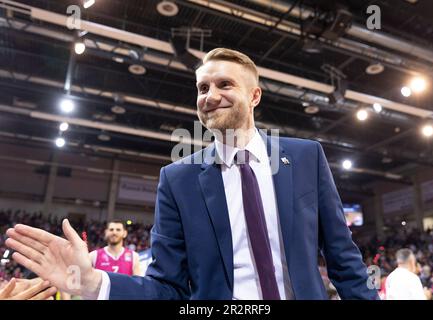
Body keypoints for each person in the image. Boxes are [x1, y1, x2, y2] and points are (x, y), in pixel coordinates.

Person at [5, 48, 379, 300]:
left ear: (255, 96)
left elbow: (343, 260)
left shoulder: (305, 156)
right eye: (202, 88)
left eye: (224, 84)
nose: (210, 95)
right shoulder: (177, 179)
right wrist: (92, 283)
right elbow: (167, 287)